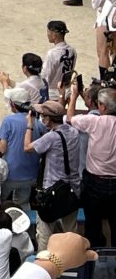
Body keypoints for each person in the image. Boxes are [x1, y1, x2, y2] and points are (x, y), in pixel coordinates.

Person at [22, 99, 82, 244]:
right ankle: (71, 260)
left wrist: (29, 126)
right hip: (73, 189)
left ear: (48, 119)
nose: (41, 118)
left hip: (52, 192)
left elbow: (27, 147)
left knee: (44, 234)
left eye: (42, 115)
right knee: (70, 232)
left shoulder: (51, 137)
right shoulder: (74, 131)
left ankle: (46, 263)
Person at [65, 80, 116, 244]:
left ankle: (95, 255)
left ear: (102, 107)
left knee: (92, 223)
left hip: (94, 182)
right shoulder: (95, 121)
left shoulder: (94, 122)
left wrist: (73, 96)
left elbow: (70, 118)